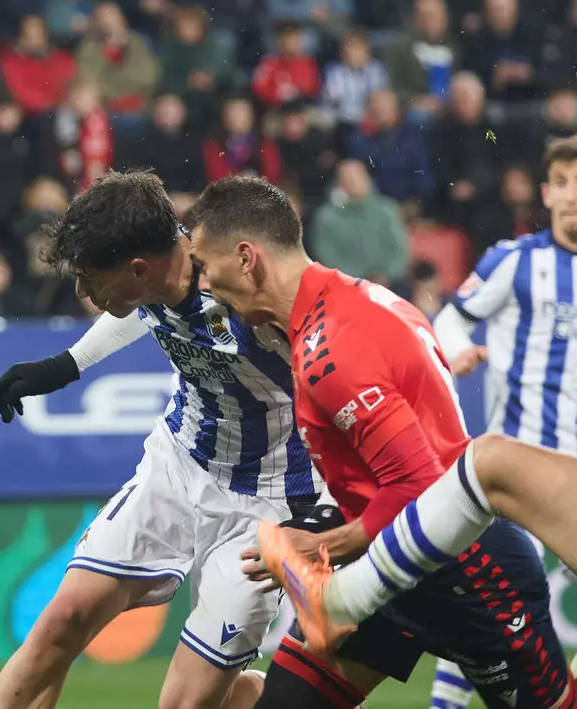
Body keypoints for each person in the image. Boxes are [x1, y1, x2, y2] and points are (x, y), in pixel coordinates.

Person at [181, 174, 574, 709]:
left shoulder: (331, 349)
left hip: (467, 572)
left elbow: (420, 485)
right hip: (390, 563)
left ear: (248, 258)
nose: (203, 283)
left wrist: (318, 547)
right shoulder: (345, 304)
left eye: (205, 265)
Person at [0, 169, 323, 709]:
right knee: (61, 621)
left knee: (193, 704)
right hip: (179, 466)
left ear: (138, 269)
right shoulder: (157, 273)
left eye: (92, 278)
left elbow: (337, 375)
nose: (82, 292)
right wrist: (68, 363)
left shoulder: (251, 295)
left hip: (270, 500)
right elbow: (144, 308)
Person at [422, 134, 577, 709]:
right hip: (520, 470)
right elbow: (451, 321)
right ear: (546, 192)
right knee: (485, 606)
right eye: (561, 182)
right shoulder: (514, 262)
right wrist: (454, 354)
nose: (572, 195)